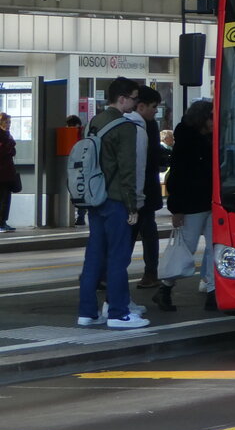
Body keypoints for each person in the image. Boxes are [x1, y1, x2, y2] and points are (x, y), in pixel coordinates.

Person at [76, 77, 149, 329]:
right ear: (122, 98)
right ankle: (118, 313)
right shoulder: (125, 127)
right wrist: (132, 206)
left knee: (94, 256)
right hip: (116, 200)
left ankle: (87, 312)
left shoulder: (94, 122)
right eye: (134, 98)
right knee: (118, 257)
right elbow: (128, 170)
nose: (135, 103)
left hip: (94, 198)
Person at [154, 99, 215, 312]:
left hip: (208, 201)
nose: (214, 120)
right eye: (211, 116)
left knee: (214, 247)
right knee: (188, 247)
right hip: (193, 202)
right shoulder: (189, 141)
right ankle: (166, 287)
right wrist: (177, 208)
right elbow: (177, 175)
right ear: (203, 118)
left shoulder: (205, 138)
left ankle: (213, 291)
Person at [130, 86, 164, 289]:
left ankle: (107, 273)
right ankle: (150, 272)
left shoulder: (144, 124)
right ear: (141, 106)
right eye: (154, 107)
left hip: (141, 191)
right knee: (145, 231)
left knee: (135, 230)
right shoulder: (144, 126)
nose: (156, 111)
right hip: (142, 191)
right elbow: (150, 159)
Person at [66, 115, 87, 226]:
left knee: (77, 190)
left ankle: (80, 216)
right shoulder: (83, 133)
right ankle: (80, 216)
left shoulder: (78, 134)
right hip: (80, 166)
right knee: (80, 190)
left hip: (76, 166)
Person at [0, 113, 17, 232]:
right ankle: (1, 223)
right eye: (6, 122)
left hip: (7, 172)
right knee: (2, 198)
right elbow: (5, 151)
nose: (8, 124)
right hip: (2, 172)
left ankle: (3, 221)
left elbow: (12, 151)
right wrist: (10, 146)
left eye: (9, 122)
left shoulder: (8, 135)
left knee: (6, 198)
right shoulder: (4, 136)